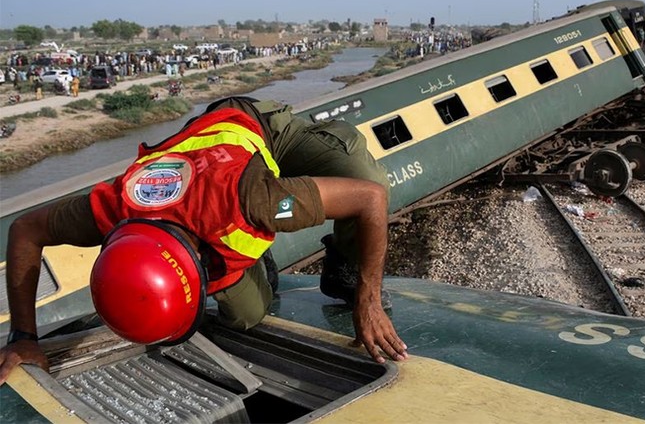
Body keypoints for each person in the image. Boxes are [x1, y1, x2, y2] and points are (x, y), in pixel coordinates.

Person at [0, 96, 408, 385]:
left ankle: (345, 274)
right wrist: (24, 338)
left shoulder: (250, 201)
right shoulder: (114, 206)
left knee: (365, 176)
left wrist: (367, 299)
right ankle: (253, 263)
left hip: (255, 127)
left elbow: (370, 200)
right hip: (198, 167)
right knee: (247, 315)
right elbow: (25, 230)